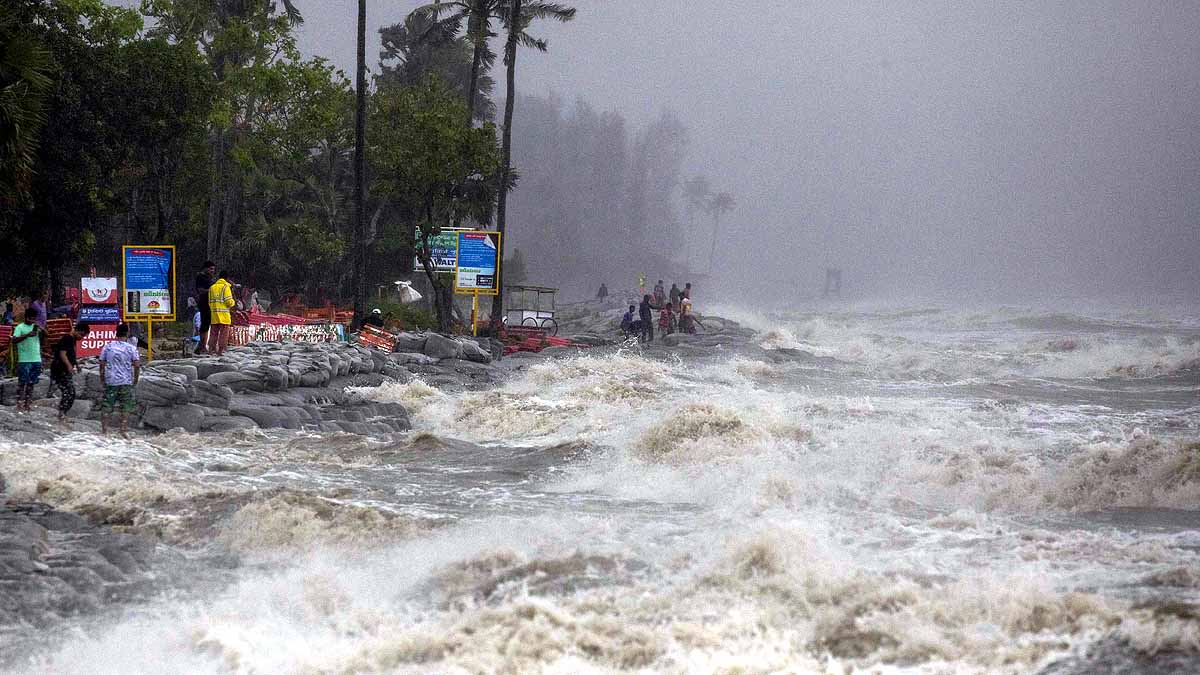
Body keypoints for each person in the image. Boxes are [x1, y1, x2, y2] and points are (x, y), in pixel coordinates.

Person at [99, 323, 140, 437]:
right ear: (127, 333)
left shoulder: (108, 346)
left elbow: (102, 364)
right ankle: (123, 430)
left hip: (111, 380)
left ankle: (104, 431)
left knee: (107, 404)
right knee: (126, 405)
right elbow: (137, 365)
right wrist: (135, 379)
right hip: (126, 381)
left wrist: (102, 378)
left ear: (116, 332)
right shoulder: (131, 348)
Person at [51, 322, 88, 425]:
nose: (82, 338)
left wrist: (76, 364)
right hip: (59, 369)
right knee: (69, 392)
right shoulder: (67, 338)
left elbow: (71, 354)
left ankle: (62, 414)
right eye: (82, 335)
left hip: (64, 370)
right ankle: (62, 414)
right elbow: (62, 354)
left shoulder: (73, 340)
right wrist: (68, 365)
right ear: (77, 331)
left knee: (69, 393)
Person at [12, 308, 44, 413]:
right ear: (26, 317)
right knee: (22, 383)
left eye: (34, 319)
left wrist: (42, 329)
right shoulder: (19, 327)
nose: (32, 321)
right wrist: (27, 335)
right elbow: (14, 340)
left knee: (31, 384)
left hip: (36, 359)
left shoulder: (36, 327)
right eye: (30, 319)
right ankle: (19, 403)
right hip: (24, 360)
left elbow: (47, 337)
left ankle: (27, 404)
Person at [207, 270, 236, 356]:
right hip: (224, 315)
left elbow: (209, 301)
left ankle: (211, 350)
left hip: (214, 314)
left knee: (213, 333)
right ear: (227, 278)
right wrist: (233, 302)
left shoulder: (212, 287)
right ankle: (220, 350)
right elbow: (228, 302)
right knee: (223, 334)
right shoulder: (225, 287)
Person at [194, 261, 215, 354]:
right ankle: (202, 346)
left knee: (207, 325)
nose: (212, 271)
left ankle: (202, 346)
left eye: (213, 269)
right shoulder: (200, 277)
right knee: (204, 326)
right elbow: (200, 290)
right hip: (204, 303)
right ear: (205, 268)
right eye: (211, 269)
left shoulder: (209, 278)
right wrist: (211, 290)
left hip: (210, 303)